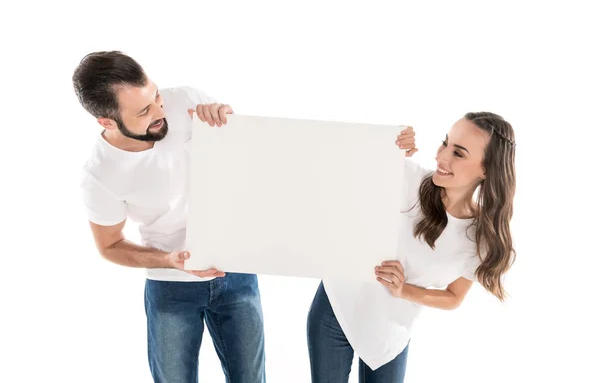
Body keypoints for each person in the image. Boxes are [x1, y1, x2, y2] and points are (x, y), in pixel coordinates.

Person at [72, 51, 265, 383]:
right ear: (107, 121)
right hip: (171, 288)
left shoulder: (187, 101)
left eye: (156, 95)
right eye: (144, 111)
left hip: (236, 272)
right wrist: (170, 260)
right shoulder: (100, 175)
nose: (160, 111)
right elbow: (110, 245)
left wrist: (230, 124)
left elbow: (250, 164)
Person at [307, 113, 516, 382]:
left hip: (390, 334)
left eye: (459, 153)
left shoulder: (478, 239)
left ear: (486, 169)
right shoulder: (406, 178)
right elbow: (339, 164)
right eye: (445, 143)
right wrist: (386, 146)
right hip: (336, 308)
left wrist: (403, 290)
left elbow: (453, 296)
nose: (442, 156)